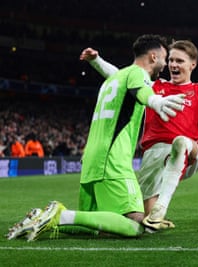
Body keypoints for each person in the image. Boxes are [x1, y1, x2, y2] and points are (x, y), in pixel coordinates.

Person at [6, 34, 185, 241]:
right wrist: (156, 102)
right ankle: (60, 214)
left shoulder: (114, 79)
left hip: (92, 159)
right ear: (153, 57)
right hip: (112, 159)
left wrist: (96, 61)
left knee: (95, 226)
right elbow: (141, 91)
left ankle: (39, 220)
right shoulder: (138, 73)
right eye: (164, 58)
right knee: (135, 223)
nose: (165, 64)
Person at [80, 39, 198, 232]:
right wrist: (96, 61)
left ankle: (162, 204)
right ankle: (155, 215)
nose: (174, 65)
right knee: (148, 224)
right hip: (153, 155)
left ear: (192, 64)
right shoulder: (154, 86)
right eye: (172, 60)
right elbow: (120, 77)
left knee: (180, 142)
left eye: (180, 61)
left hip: (190, 152)